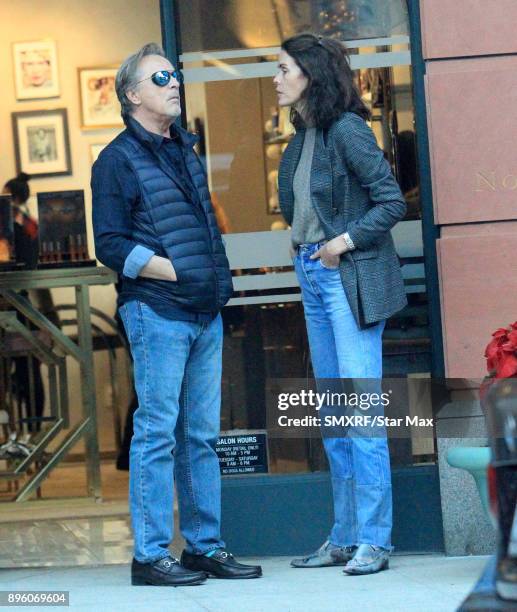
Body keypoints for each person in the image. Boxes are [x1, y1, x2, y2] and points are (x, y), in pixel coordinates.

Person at [91, 42, 262, 587]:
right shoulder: (115, 160)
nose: (174, 83)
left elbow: (206, 229)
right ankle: (150, 555)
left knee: (201, 436)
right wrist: (170, 271)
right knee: (158, 433)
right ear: (132, 94)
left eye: (175, 75)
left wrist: (210, 282)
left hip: (203, 311)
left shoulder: (184, 150)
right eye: (160, 77)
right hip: (157, 311)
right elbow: (111, 244)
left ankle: (204, 547)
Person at [274, 33, 408, 575]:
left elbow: (391, 201)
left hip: (342, 276)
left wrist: (342, 243)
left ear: (310, 73)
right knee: (332, 414)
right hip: (313, 273)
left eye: (283, 69)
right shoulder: (301, 136)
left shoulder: (347, 130)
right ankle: (346, 535)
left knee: (361, 413)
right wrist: (309, 251)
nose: (276, 78)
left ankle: (376, 539)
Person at [2, 173, 44, 432]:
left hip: (11, 305)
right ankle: (35, 430)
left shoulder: (12, 225)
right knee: (31, 370)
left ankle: (21, 432)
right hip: (27, 306)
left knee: (18, 373)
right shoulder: (32, 224)